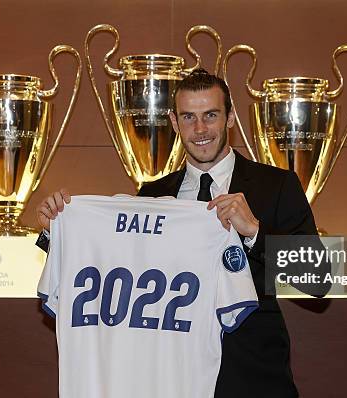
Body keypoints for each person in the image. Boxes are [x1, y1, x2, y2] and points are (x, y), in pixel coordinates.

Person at [35, 69, 330, 398]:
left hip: (251, 381)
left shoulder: (276, 186)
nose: (200, 129)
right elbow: (115, 266)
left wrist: (255, 232)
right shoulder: (151, 196)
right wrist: (59, 230)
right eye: (189, 117)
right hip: (168, 380)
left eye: (211, 115)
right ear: (174, 123)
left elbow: (319, 281)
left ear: (230, 118)